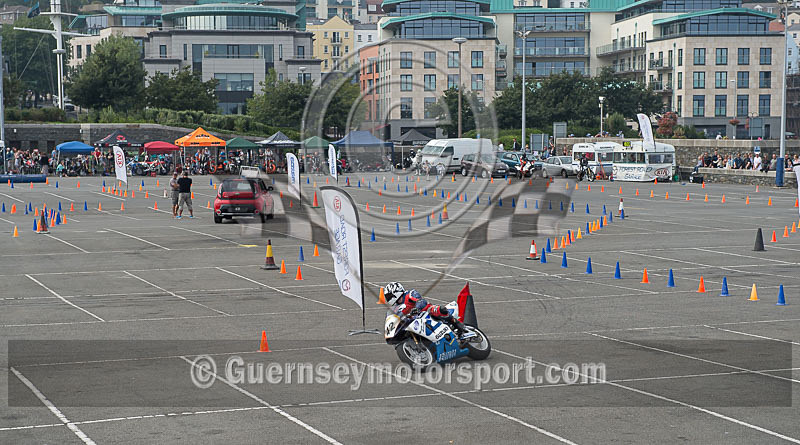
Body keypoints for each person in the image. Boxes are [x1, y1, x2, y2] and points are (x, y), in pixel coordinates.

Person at [384, 282, 475, 342]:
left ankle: (459, 326)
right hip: (414, 320)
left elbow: (421, 301)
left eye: (389, 296)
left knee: (438, 310)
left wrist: (417, 308)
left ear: (396, 292)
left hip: (426, 311)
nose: (388, 299)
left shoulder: (409, 294)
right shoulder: (396, 307)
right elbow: (396, 316)